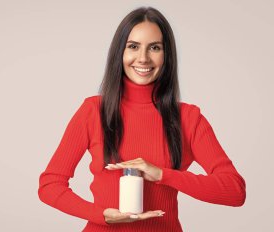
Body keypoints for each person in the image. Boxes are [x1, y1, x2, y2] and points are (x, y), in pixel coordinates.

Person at [38, 6, 246, 232]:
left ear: (167, 55)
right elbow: (50, 185)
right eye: (133, 47)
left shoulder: (188, 118)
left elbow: (235, 191)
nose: (143, 58)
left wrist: (162, 174)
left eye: (155, 47)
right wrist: (101, 215)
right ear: (120, 53)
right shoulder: (93, 110)